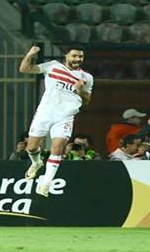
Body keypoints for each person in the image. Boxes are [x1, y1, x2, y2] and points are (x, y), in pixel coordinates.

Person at [19, 44, 94, 197]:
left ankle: (46, 183)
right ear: (66, 56)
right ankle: (37, 162)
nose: (78, 59)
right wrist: (30, 54)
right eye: (74, 56)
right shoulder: (52, 66)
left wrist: (80, 90)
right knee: (31, 148)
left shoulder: (87, 77)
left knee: (57, 147)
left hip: (65, 116)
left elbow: (87, 101)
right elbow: (25, 69)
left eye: (80, 56)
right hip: (45, 113)